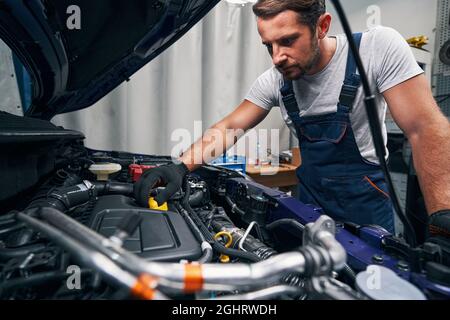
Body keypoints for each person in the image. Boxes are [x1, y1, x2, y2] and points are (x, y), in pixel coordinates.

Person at [134, 0, 450, 237]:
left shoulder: (376, 49)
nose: (277, 57)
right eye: (268, 45)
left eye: (287, 41)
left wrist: (442, 221)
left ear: (322, 26)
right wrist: (181, 166)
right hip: (310, 203)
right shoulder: (275, 80)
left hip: (366, 203)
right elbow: (230, 127)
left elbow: (424, 129)